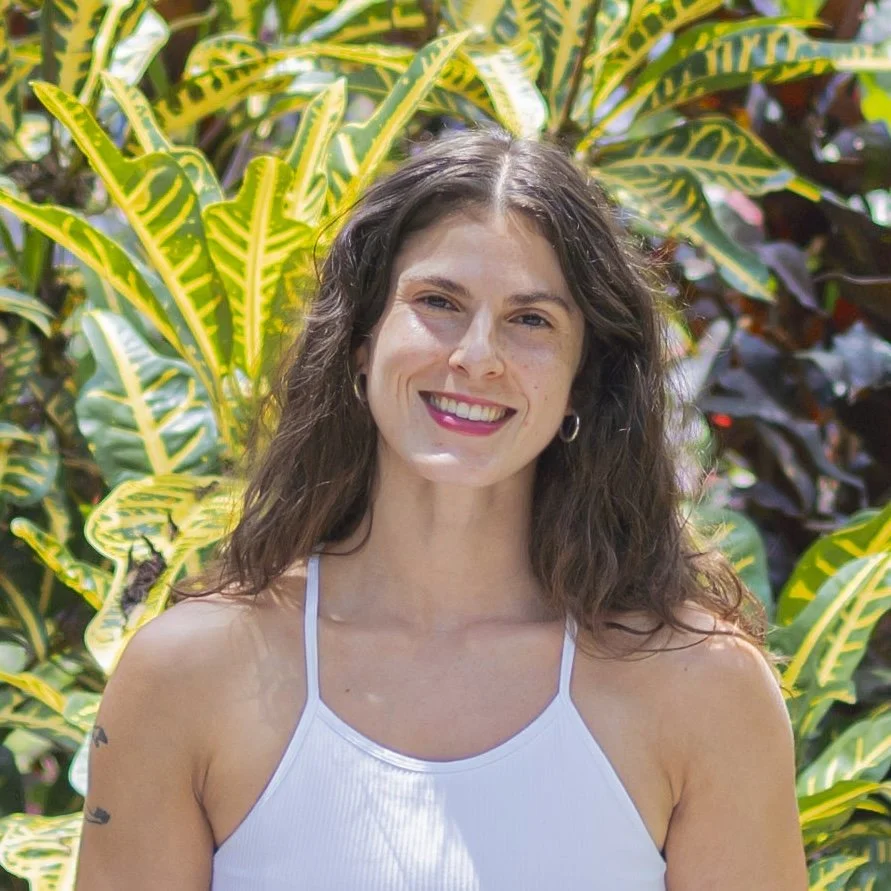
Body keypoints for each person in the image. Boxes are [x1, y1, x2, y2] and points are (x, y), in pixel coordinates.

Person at [74, 129, 808, 890]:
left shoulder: (700, 687)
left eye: (531, 320)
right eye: (437, 301)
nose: (475, 356)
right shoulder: (186, 675)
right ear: (361, 340)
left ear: (582, 380)